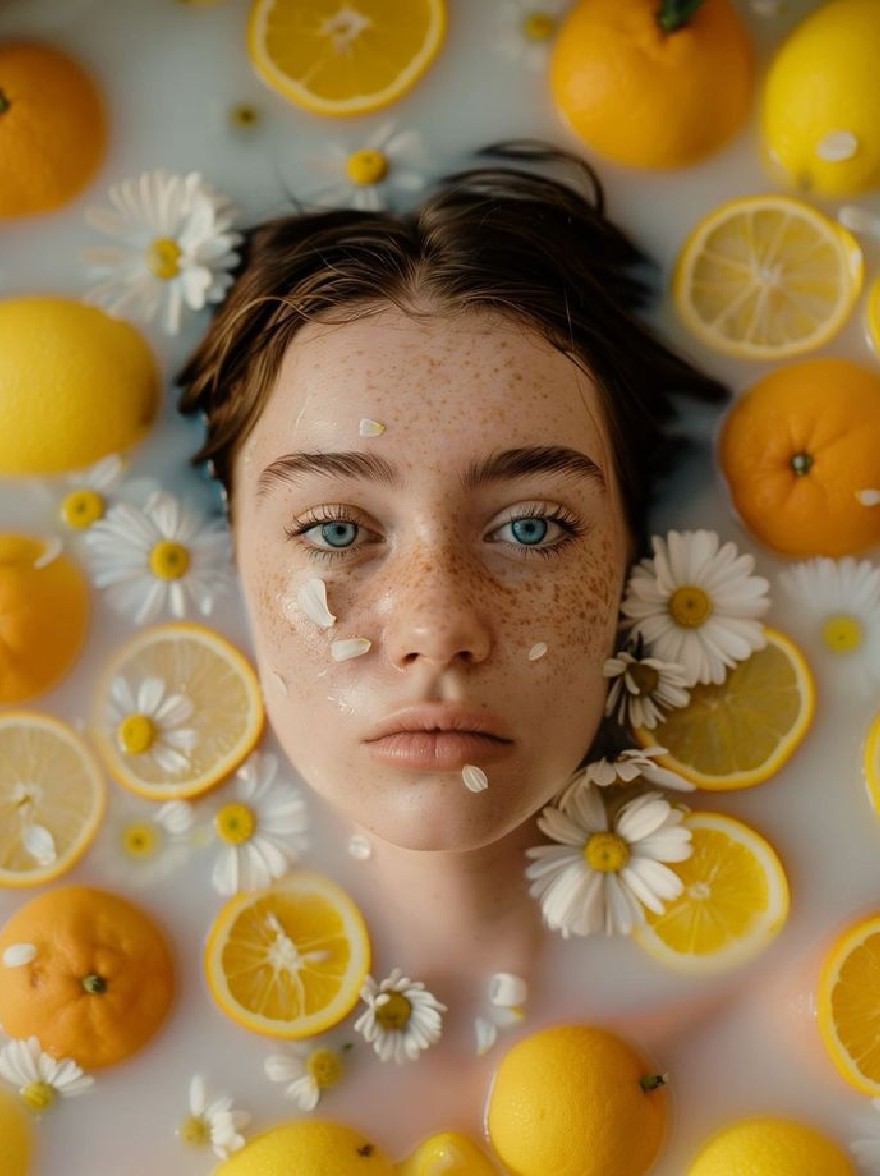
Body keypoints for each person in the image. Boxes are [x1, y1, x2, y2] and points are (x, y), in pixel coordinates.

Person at [177, 142, 727, 1142]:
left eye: (530, 527)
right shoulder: (141, 1071)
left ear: (633, 564)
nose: (436, 628)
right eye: (336, 529)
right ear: (225, 559)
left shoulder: (786, 1031)